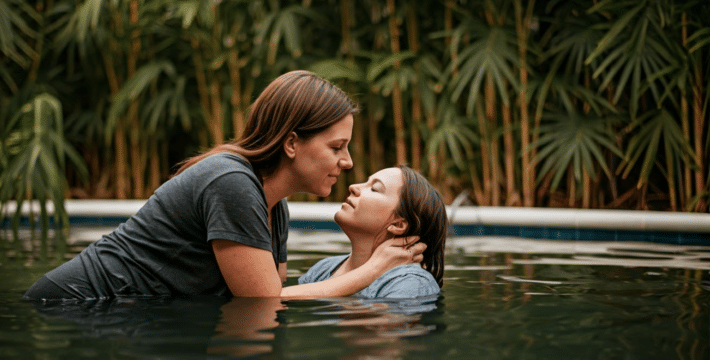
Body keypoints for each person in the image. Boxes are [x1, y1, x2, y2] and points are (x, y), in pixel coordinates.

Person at [23, 70, 426, 301]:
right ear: (291, 143)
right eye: (337, 146)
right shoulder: (231, 181)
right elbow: (264, 302)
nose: (348, 161)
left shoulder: (275, 206)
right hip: (71, 305)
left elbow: (269, 305)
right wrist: (375, 267)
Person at [298, 165, 447, 298]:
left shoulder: (410, 283)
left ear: (398, 224)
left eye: (374, 188)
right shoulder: (324, 268)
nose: (353, 186)